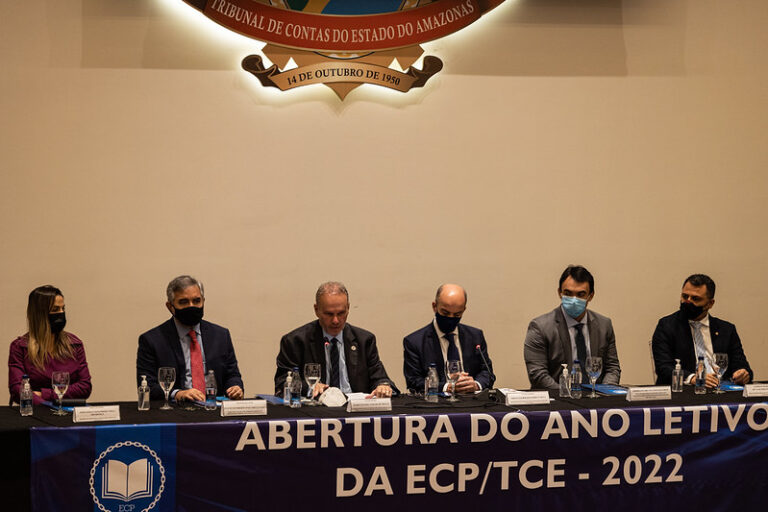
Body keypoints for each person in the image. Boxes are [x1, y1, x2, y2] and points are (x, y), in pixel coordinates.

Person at [274, 281, 394, 398]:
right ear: (316, 310)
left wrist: (382, 386)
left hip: (355, 409)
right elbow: (283, 382)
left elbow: (379, 377)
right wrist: (310, 388)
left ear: (348, 308)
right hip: (317, 410)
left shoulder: (364, 340)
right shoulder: (295, 341)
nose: (336, 320)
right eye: (329, 314)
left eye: (341, 313)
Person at [136, 275, 244, 402]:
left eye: (196, 301)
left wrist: (235, 387)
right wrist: (177, 394)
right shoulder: (152, 340)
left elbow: (232, 375)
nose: (191, 306)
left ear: (203, 301)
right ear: (170, 306)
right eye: (183, 302)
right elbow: (148, 385)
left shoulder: (221, 335)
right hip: (176, 412)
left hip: (214, 409)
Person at [524, 265, 621, 391]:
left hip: (597, 400)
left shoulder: (604, 325)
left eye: (581, 294)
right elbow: (538, 374)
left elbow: (612, 368)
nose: (574, 300)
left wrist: (606, 392)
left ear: (590, 296)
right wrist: (567, 397)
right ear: (559, 292)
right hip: (557, 402)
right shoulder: (540, 327)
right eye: (568, 293)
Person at [652, 274, 752, 387]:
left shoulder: (726, 330)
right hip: (684, 393)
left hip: (721, 392)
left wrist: (742, 374)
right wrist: (694, 378)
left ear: (710, 303)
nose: (688, 302)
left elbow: (741, 365)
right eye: (685, 296)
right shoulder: (667, 326)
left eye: (695, 299)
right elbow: (663, 368)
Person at [403, 283, 495, 394]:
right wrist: (447, 387)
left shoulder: (475, 336)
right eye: (445, 313)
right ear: (434, 306)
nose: (450, 318)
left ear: (464, 310)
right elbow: (414, 381)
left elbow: (487, 372)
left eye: (457, 314)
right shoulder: (415, 342)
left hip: (472, 401)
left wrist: (476, 384)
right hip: (436, 404)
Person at [8, 285, 92, 405]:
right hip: (35, 413)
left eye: (63, 309)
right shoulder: (20, 347)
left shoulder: (74, 344)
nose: (61, 313)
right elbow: (18, 390)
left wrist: (44, 394)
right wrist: (48, 405)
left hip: (68, 412)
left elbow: (84, 387)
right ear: (40, 315)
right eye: (55, 310)